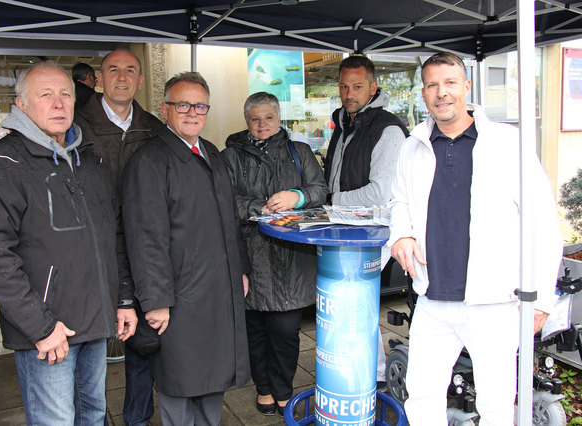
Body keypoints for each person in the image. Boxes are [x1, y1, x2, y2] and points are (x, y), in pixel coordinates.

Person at [388, 52, 562, 425]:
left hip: (494, 302)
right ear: (423, 94)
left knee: (498, 404)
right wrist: (400, 234)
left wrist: (543, 299)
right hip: (432, 297)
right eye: (433, 85)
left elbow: (543, 223)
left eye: (450, 83)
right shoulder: (412, 145)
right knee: (421, 395)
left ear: (467, 87)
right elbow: (398, 200)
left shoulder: (507, 142)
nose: (442, 93)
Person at [0, 61, 137, 425]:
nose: (58, 104)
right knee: (55, 419)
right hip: (47, 331)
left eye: (65, 95)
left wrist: (121, 299)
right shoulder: (0, 164)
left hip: (94, 320)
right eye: (46, 95)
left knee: (93, 414)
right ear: (21, 105)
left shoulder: (88, 160)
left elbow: (113, 236)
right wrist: (40, 326)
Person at [122, 71, 250, 426]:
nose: (192, 112)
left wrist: (239, 269)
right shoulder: (149, 161)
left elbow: (230, 218)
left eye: (200, 106)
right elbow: (145, 237)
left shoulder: (210, 153)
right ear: (165, 109)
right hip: (177, 299)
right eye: (183, 104)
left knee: (212, 380)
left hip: (216, 290)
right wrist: (156, 300)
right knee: (179, 385)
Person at [221, 92, 327, 416]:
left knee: (285, 331)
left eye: (268, 117)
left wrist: (296, 196)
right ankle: (263, 388)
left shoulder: (301, 151)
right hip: (249, 256)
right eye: (255, 119)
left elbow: (320, 190)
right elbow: (223, 200)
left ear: (278, 118)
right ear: (246, 122)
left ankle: (283, 388)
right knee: (254, 332)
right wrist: (260, 208)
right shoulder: (231, 156)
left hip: (291, 258)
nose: (261, 124)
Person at [75, 48, 164, 426]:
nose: (122, 77)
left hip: (140, 250)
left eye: (130, 70)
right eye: (113, 69)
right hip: (90, 250)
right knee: (89, 350)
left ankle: (137, 419)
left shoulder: (155, 128)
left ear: (141, 80)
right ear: (99, 77)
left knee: (142, 345)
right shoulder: (75, 126)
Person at [323, 54, 409, 389]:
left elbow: (379, 193)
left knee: (356, 305)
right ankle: (361, 369)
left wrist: (332, 201)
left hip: (375, 233)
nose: (349, 93)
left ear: (373, 87)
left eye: (357, 86)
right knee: (350, 305)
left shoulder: (386, 128)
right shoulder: (346, 123)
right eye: (344, 86)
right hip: (348, 230)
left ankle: (372, 375)